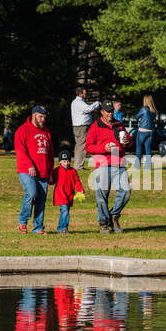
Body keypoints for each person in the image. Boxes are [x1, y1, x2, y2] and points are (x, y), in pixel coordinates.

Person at [86, 105, 130, 234]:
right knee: (101, 196)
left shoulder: (119, 125)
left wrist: (127, 141)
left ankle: (114, 215)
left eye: (111, 111)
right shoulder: (95, 126)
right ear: (102, 112)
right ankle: (103, 222)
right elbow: (88, 147)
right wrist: (103, 149)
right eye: (108, 111)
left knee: (126, 191)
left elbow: (129, 141)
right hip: (102, 164)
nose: (110, 113)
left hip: (119, 162)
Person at [14, 104, 52, 233]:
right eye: (40, 117)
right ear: (34, 116)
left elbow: (50, 153)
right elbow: (20, 150)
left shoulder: (46, 131)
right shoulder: (23, 130)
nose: (43, 119)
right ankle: (22, 222)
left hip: (43, 170)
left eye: (44, 117)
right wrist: (30, 164)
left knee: (41, 199)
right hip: (26, 169)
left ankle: (38, 227)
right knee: (31, 193)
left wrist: (50, 171)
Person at [50, 149, 86, 233]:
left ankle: (62, 227)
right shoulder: (56, 170)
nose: (66, 163)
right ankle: (62, 228)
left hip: (69, 194)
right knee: (65, 210)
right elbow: (52, 181)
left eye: (68, 161)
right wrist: (49, 180)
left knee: (65, 211)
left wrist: (80, 189)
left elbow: (77, 182)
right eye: (64, 161)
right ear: (60, 162)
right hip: (60, 194)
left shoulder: (73, 171)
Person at [70, 86, 100, 170]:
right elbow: (88, 109)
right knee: (82, 146)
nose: (85, 94)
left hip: (78, 126)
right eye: (84, 92)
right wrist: (97, 103)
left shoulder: (76, 102)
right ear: (80, 94)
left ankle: (77, 164)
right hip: (81, 126)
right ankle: (79, 166)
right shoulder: (79, 102)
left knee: (78, 145)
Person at [135, 95, 157, 171]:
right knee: (148, 149)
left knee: (139, 148)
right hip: (150, 131)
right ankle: (147, 166)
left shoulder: (143, 109)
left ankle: (137, 166)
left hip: (142, 130)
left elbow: (136, 117)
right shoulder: (153, 110)